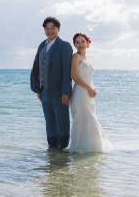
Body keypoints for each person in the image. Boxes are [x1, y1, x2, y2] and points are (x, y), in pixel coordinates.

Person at [30, 16, 73, 150]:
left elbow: (67, 71)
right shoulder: (42, 45)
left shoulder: (64, 46)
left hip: (59, 93)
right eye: (47, 28)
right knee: (49, 124)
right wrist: (38, 89)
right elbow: (37, 68)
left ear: (58, 29)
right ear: (44, 30)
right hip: (44, 92)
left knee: (62, 124)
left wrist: (65, 92)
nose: (50, 31)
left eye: (53, 28)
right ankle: (52, 153)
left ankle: (63, 153)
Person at [68, 33, 112, 153]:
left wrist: (92, 88)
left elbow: (86, 76)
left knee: (90, 119)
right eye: (77, 42)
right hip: (80, 93)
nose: (80, 44)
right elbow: (74, 76)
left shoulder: (86, 59)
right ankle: (80, 149)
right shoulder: (76, 57)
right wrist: (89, 88)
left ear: (87, 43)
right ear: (74, 44)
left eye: (83, 41)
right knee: (83, 120)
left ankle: (91, 149)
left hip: (87, 93)